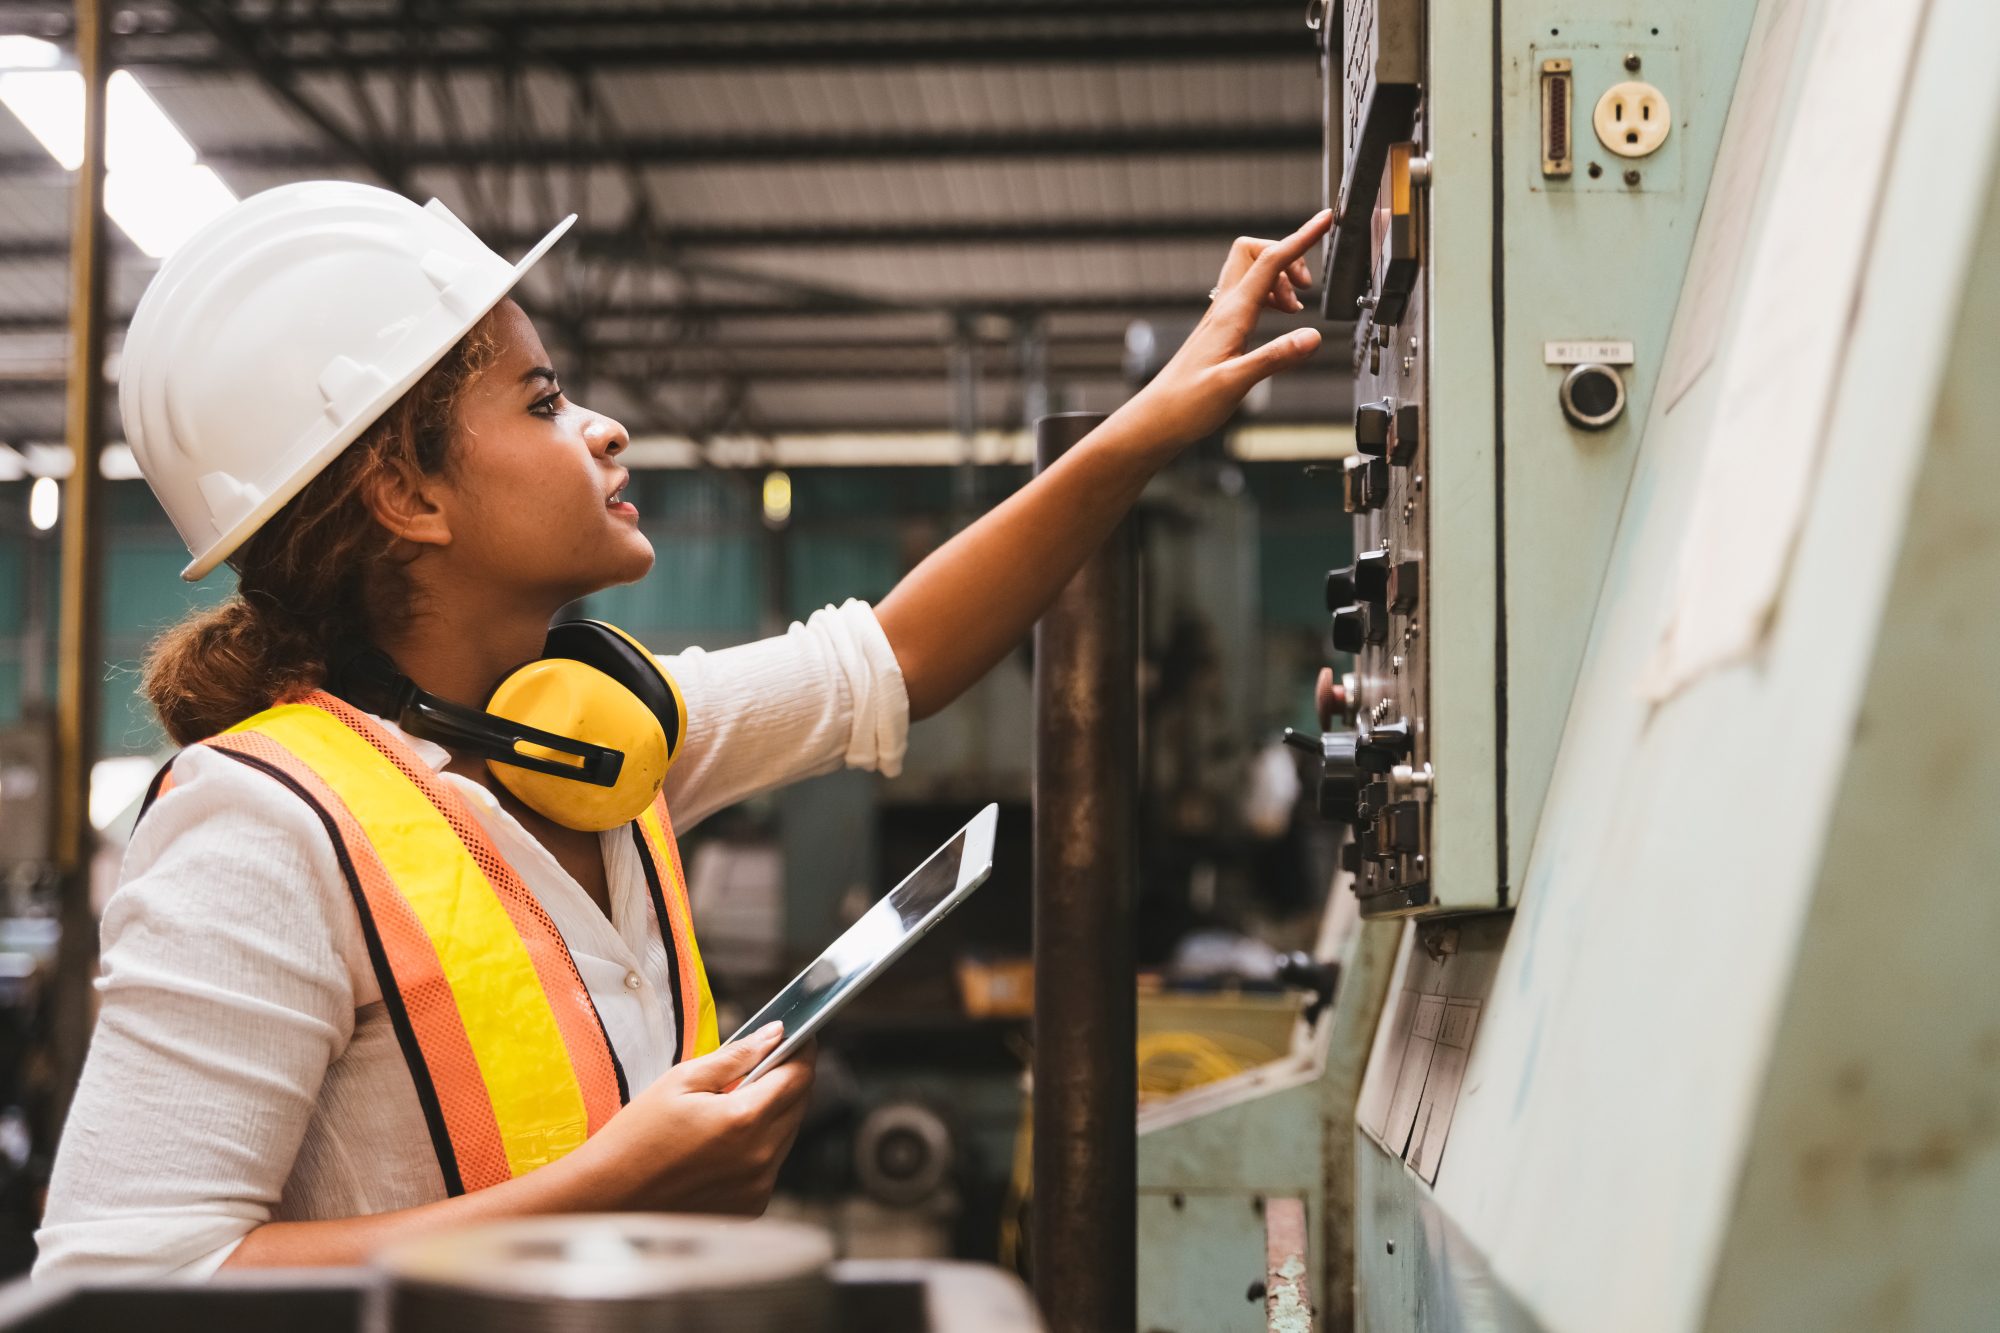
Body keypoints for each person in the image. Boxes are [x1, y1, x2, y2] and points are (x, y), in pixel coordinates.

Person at [33, 181, 1330, 1280]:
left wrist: (1152, 419)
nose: (604, 426)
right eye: (542, 404)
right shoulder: (256, 826)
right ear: (405, 492)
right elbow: (125, 1281)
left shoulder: (604, 739)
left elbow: (893, 656)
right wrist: (608, 1188)